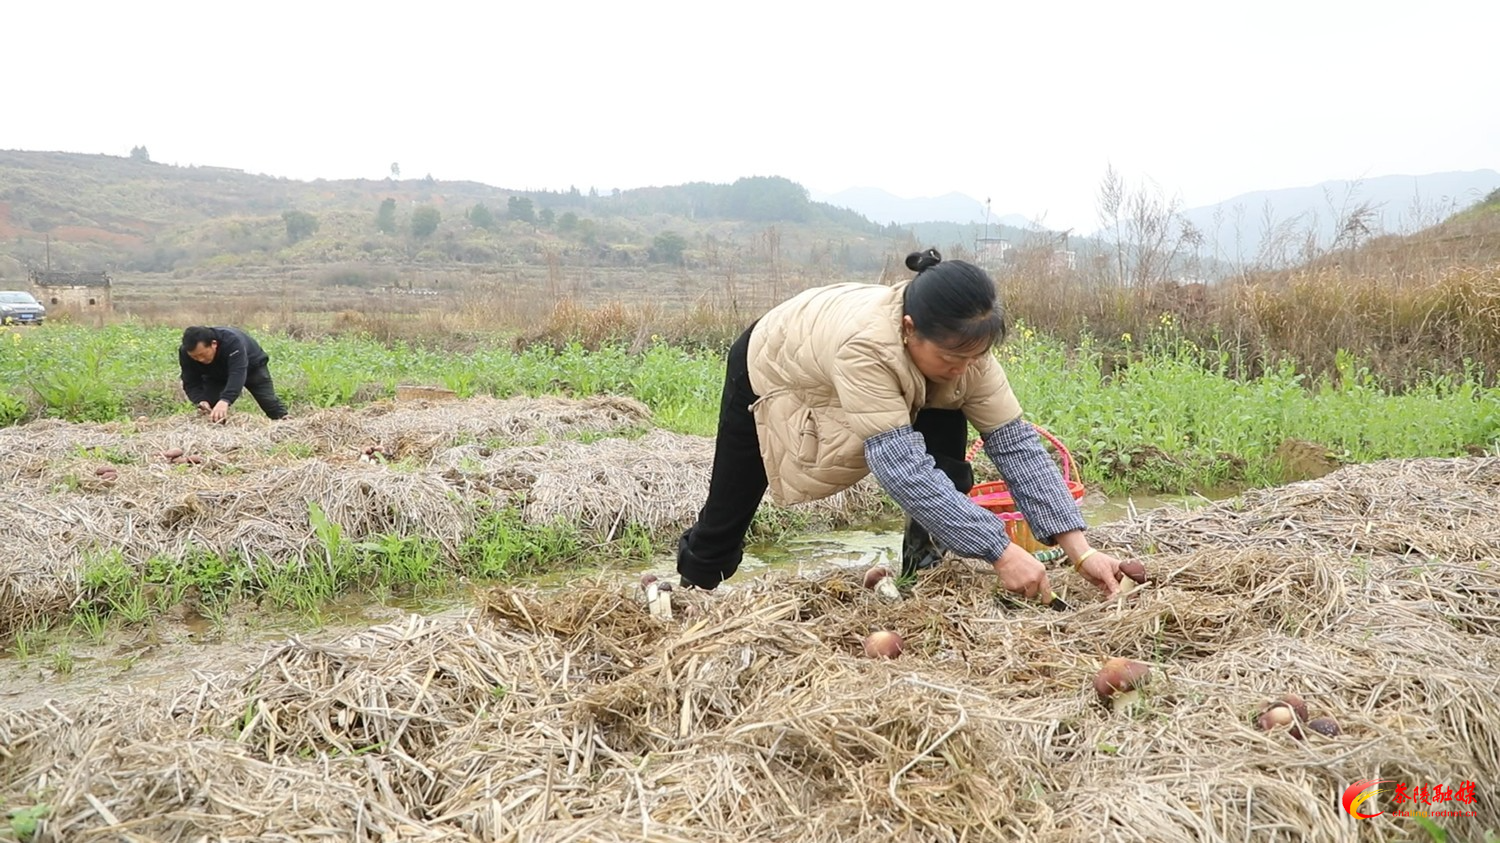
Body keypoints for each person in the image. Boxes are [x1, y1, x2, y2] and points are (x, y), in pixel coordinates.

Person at [676, 249, 1128, 602]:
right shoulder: (866, 350)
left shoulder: (965, 354)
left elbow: (1016, 447)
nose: (963, 368)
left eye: (975, 357)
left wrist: (1080, 550)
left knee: (947, 463)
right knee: (733, 497)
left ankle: (922, 574)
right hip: (774, 358)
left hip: (878, 355)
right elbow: (902, 469)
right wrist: (1002, 551)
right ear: (910, 328)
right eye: (952, 357)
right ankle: (693, 588)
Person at [178, 326, 288, 422]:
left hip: (252, 367)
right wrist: (200, 400)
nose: (200, 359)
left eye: (202, 355)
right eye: (195, 357)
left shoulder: (232, 342)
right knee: (209, 408)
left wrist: (225, 400)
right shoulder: (186, 352)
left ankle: (286, 423)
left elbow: (237, 374)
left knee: (270, 403)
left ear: (214, 344)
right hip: (216, 373)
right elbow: (190, 381)